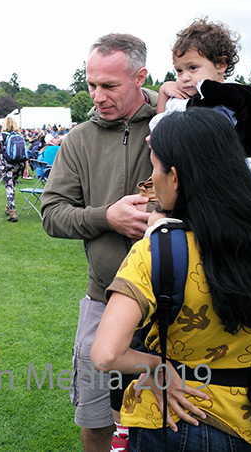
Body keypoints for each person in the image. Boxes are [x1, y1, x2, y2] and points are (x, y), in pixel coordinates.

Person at [91, 108, 251, 452]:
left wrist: (160, 365)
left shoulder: (158, 249)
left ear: (174, 176)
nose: (152, 178)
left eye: (154, 167)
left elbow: (106, 354)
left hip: (168, 418)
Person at [41, 32, 157, 452]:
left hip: (173, 306)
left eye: (109, 85)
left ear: (140, 76)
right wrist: (105, 217)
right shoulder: (78, 140)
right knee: (95, 421)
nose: (97, 96)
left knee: (168, 417)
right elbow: (52, 214)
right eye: (91, 84)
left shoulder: (170, 126)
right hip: (102, 301)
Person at [150, 18, 251, 159]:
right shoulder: (180, 100)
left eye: (193, 68)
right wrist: (163, 93)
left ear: (221, 65)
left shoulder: (240, 96)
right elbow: (157, 129)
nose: (184, 77)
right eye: (179, 71)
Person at [0, 116, 28, 222]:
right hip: (18, 165)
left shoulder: (1, 136)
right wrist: (26, 167)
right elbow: (25, 154)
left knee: (9, 187)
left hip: (6, 165)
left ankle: (12, 211)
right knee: (12, 186)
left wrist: (1, 159)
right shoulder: (20, 136)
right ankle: (8, 207)